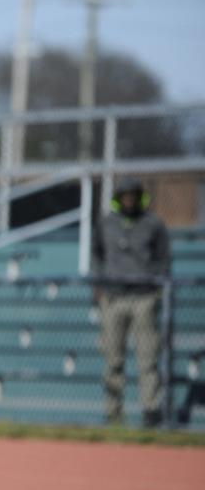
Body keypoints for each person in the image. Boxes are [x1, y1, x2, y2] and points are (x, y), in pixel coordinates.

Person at [92, 179, 171, 428]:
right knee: (112, 359)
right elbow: (96, 254)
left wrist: (155, 286)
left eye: (133, 195)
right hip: (114, 297)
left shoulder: (153, 224)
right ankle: (113, 414)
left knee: (147, 359)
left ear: (140, 197)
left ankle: (151, 411)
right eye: (124, 196)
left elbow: (163, 258)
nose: (129, 200)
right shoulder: (106, 223)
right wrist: (98, 285)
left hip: (143, 297)